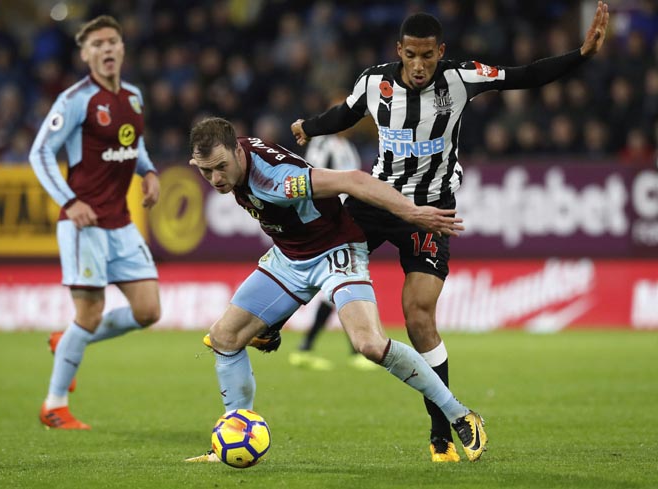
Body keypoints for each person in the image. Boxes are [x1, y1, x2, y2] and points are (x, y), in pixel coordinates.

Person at [290, 3, 610, 462]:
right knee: (319, 254)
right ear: (399, 51)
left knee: (417, 316)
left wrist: (581, 53)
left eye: (428, 56)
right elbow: (344, 113)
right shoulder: (373, 82)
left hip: (432, 209)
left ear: (441, 52)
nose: (419, 66)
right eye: (411, 56)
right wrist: (309, 126)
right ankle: (273, 328)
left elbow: (526, 75)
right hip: (378, 201)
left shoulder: (462, 78)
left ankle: (442, 432)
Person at [184, 117, 487, 463]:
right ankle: (234, 431)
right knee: (224, 337)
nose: (217, 179)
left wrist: (413, 212)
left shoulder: (279, 181)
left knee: (369, 344)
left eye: (221, 167)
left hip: (335, 253)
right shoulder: (230, 154)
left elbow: (354, 181)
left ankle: (460, 414)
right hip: (289, 258)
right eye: (206, 172)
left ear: (237, 150)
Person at [29, 15, 161, 430]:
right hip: (84, 224)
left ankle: (66, 340)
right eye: (97, 44)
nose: (107, 49)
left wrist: (150, 172)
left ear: (122, 48)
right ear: (85, 55)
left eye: (112, 42)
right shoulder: (75, 100)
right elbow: (40, 153)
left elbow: (132, 144)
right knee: (89, 314)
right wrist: (69, 201)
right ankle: (54, 406)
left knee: (148, 310)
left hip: (121, 223)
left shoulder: (134, 96)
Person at [288, 93, 378, 372]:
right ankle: (309, 346)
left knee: (338, 282)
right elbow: (313, 178)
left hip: (346, 219)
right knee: (338, 280)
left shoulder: (345, 146)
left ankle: (328, 348)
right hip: (331, 222)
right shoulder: (323, 145)